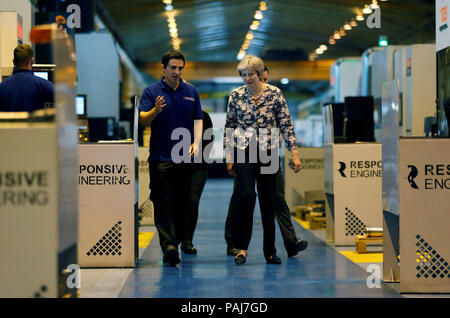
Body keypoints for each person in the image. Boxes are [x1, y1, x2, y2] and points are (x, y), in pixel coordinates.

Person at [224, 55, 302, 265]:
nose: (247, 78)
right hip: (244, 151)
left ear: (260, 74)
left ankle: (270, 251)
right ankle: (242, 249)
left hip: (268, 152)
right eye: (243, 75)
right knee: (247, 197)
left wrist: (293, 152)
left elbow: (286, 123)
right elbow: (230, 126)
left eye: (251, 74)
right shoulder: (236, 96)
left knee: (268, 202)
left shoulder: (275, 94)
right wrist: (229, 155)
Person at [139, 50, 203, 266]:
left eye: (180, 68)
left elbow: (198, 119)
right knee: (163, 201)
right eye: (173, 68)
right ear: (163, 68)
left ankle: (176, 241)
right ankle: (169, 246)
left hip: (184, 157)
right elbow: (142, 120)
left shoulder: (191, 91)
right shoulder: (151, 91)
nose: (177, 72)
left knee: (181, 203)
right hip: (160, 157)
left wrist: (196, 141)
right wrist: (155, 110)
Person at [182, 110, 213, 254]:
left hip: (199, 167)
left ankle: (187, 240)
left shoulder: (204, 116)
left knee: (193, 201)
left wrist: (201, 161)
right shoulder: (177, 114)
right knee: (177, 202)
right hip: (177, 165)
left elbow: (209, 139)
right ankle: (175, 239)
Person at [0, 44, 54, 112]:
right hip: (35, 122)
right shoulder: (42, 84)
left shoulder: (2, 86)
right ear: (32, 61)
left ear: (13, 62)